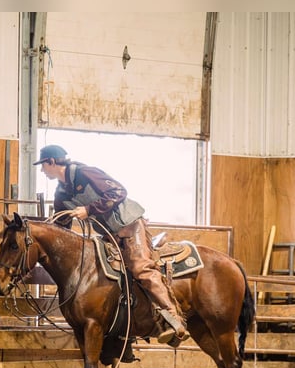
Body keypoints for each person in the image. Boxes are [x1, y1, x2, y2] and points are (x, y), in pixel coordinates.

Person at [33, 144, 187, 344]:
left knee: (140, 268)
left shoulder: (85, 173)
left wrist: (88, 209)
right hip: (110, 235)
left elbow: (118, 191)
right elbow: (61, 227)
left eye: (43, 165)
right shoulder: (61, 195)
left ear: (52, 162)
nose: (42, 170)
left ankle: (173, 318)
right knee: (109, 278)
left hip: (129, 224)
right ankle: (124, 337)